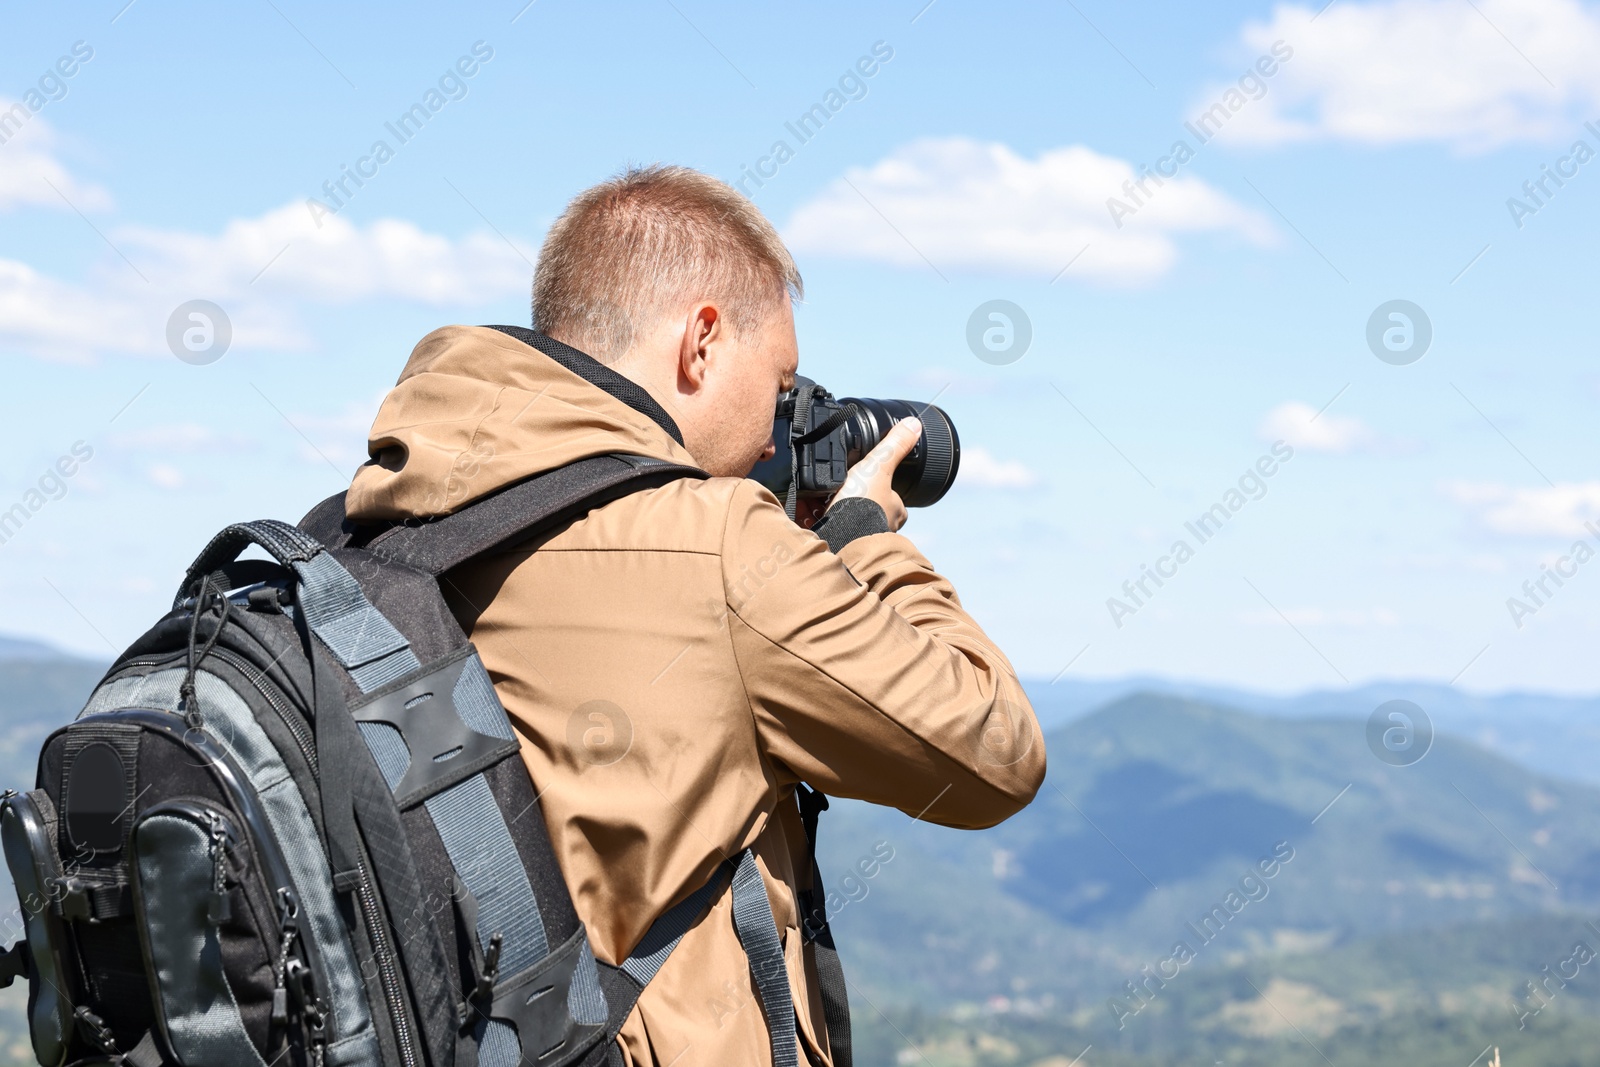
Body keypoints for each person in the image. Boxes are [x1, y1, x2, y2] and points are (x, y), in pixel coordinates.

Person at [342, 165, 1046, 1066]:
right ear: (701, 342)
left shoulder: (378, 527)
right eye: (781, 383)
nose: (771, 433)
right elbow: (996, 753)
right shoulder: (717, 546)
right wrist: (866, 537)